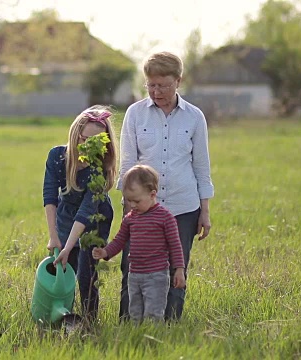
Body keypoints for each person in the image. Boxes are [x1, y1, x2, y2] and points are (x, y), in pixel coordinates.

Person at [118, 51, 214, 322]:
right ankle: (129, 322)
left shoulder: (194, 117)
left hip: (183, 208)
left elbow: (201, 167)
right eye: (151, 85)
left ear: (178, 81)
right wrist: (128, 210)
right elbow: (127, 165)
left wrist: (204, 212)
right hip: (142, 210)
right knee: (132, 267)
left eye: (163, 85)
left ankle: (170, 324)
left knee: (176, 268)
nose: (156, 91)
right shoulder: (135, 114)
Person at [43, 105, 118, 322]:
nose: (86, 147)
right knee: (66, 269)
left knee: (86, 274)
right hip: (66, 217)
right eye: (83, 140)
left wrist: (69, 246)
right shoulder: (57, 156)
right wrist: (54, 236)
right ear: (76, 135)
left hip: (94, 220)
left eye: (95, 143)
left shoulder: (98, 171)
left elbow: (87, 211)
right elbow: (50, 196)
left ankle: (89, 319)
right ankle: (62, 317)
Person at [93, 165, 185, 324]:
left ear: (152, 194)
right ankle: (137, 338)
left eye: (137, 200)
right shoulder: (130, 218)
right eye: (129, 200)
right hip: (134, 275)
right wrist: (106, 252)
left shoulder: (165, 218)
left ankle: (153, 342)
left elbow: (175, 246)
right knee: (134, 312)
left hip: (157, 275)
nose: (133, 205)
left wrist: (179, 270)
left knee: (153, 314)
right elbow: (120, 240)